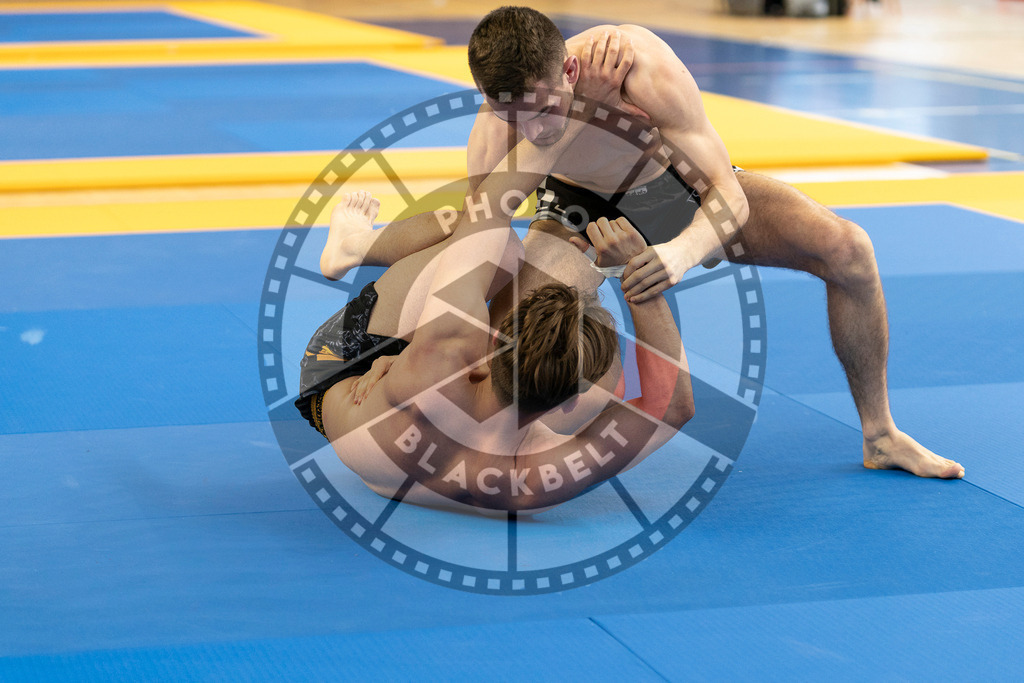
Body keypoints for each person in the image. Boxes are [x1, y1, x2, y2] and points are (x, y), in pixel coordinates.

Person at [326, 7, 963, 479]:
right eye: (513, 114)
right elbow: (476, 236)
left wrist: (677, 254)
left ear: (569, 69)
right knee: (509, 306)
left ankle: (880, 433)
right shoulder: (498, 127)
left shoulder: (639, 64)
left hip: (678, 191)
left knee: (850, 250)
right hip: (580, 211)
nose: (533, 128)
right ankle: (362, 247)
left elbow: (728, 196)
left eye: (544, 107)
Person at [295, 121, 695, 512]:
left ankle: (354, 246)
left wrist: (567, 123)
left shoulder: (447, 350)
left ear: (497, 340)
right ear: (568, 405)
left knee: (500, 246)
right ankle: (353, 248)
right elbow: (674, 406)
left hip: (340, 374)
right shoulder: (542, 474)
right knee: (608, 380)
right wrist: (638, 279)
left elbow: (486, 214)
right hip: (410, 418)